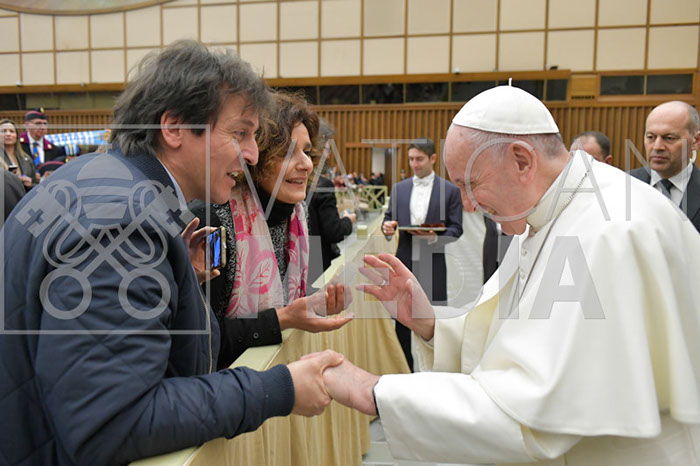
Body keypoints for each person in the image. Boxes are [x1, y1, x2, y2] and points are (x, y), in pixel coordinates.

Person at [1, 40, 344, 465]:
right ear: (175, 127)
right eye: (240, 134)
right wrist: (279, 388)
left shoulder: (97, 182)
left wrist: (175, 283)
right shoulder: (123, 226)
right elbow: (112, 422)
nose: (252, 154)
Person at [322, 86, 700, 464]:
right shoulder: (544, 212)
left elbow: (541, 416)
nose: (468, 205)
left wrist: (375, 392)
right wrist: (430, 324)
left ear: (522, 161)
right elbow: (513, 338)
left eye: (471, 184)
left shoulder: (609, 231)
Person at [191, 91, 353, 369]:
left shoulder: (296, 216)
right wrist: (284, 319)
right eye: (288, 153)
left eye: (307, 152)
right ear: (256, 155)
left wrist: (309, 306)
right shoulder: (215, 225)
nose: (307, 164)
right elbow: (204, 339)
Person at [381, 138, 463, 370]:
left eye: (419, 159)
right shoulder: (399, 189)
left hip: (434, 264)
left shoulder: (450, 191)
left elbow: (457, 229)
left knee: (436, 321)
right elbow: (389, 219)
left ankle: (439, 371)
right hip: (404, 262)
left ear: (433, 158)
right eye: (411, 159)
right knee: (402, 322)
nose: (414, 164)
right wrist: (387, 228)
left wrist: (435, 237)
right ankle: (405, 370)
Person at [629, 101, 700, 232]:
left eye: (669, 138)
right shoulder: (623, 184)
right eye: (651, 137)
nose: (657, 147)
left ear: (695, 141)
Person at [306, 120, 356, 285]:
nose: (328, 155)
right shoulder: (322, 185)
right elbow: (334, 232)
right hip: (316, 263)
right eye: (326, 150)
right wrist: (348, 220)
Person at [1, 119, 39, 190]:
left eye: (11, 131)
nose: (8, 134)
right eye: (4, 131)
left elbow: (35, 186)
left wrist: (30, 184)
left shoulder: (26, 159)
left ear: (16, 136)